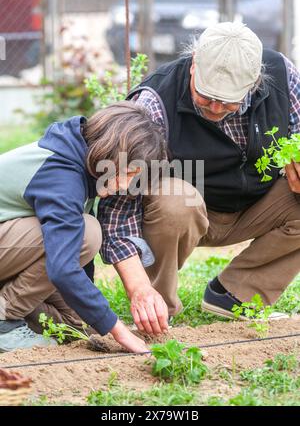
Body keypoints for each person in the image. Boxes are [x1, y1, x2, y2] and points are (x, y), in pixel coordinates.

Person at [96, 21, 300, 330]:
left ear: (255, 81)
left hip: (257, 205)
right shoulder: (153, 103)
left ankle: (236, 296)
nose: (217, 107)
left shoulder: (283, 76)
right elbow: (117, 207)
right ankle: (157, 306)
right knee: (179, 200)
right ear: (194, 66)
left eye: (229, 100)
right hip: (183, 212)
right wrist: (138, 289)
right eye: (207, 95)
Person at [0, 101, 167, 353]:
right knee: (87, 233)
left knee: (76, 325)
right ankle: (4, 317)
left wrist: (98, 317)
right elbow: (63, 268)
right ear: (113, 152)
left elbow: (73, 264)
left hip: (10, 250)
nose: (127, 185)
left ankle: (10, 303)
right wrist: (119, 331)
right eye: (130, 173)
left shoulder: (82, 160)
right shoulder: (61, 174)